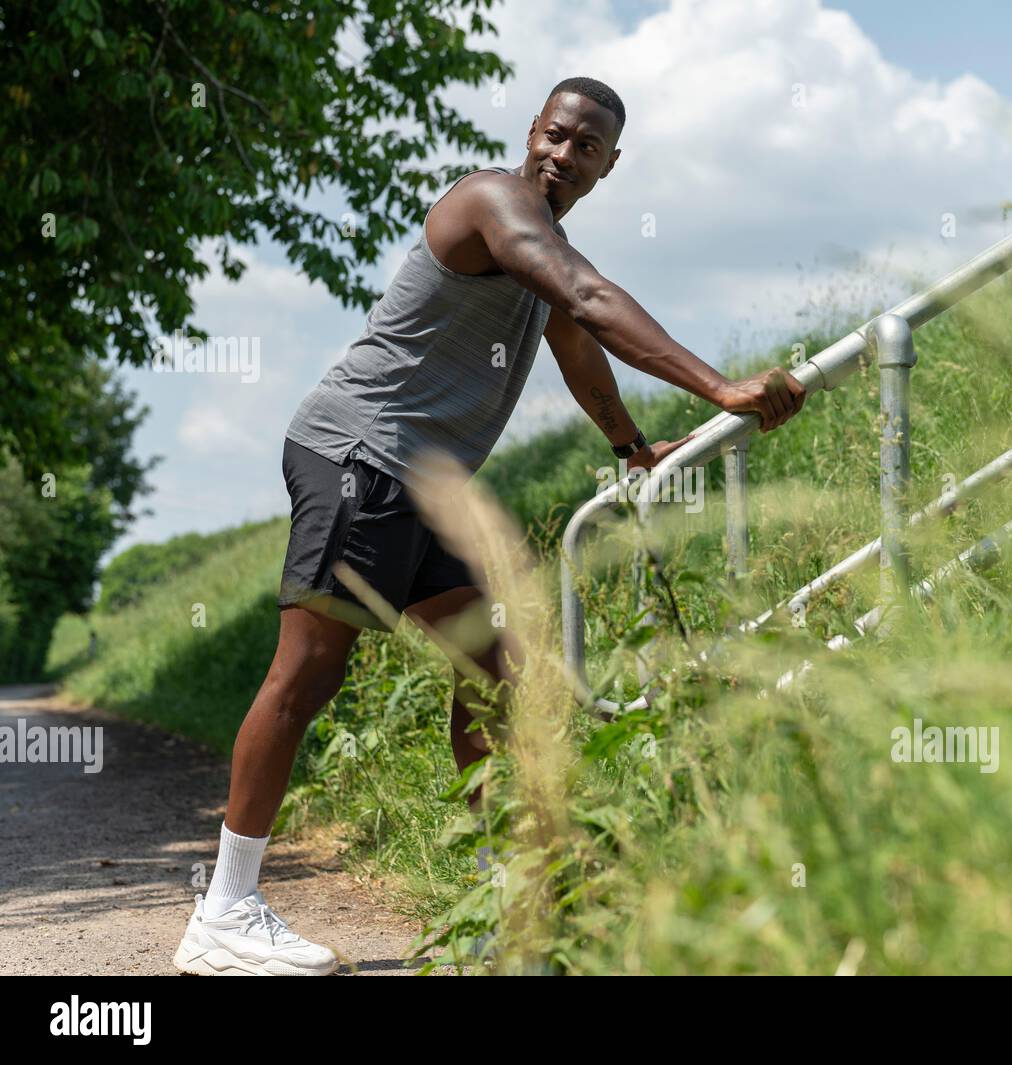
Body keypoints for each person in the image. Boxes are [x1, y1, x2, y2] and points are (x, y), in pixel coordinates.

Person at [173, 76, 805, 976]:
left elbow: (575, 340)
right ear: (532, 132)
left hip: (424, 483)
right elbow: (586, 297)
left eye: (585, 147)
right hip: (357, 452)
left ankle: (502, 888)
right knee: (309, 667)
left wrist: (630, 445)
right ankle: (224, 911)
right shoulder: (492, 202)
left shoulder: (545, 249)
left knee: (497, 665)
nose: (563, 155)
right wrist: (724, 387)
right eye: (554, 135)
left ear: (609, 165)